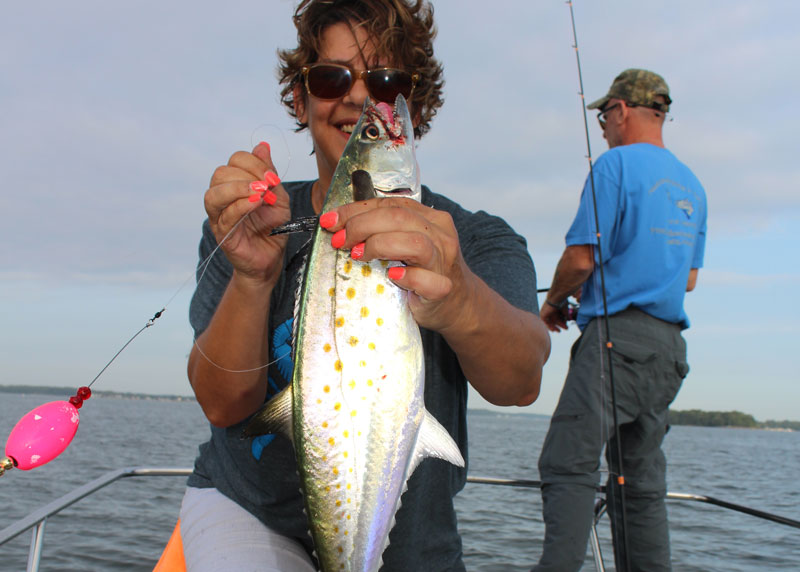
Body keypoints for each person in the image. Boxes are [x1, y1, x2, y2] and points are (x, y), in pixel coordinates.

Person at [180, 1, 551, 571]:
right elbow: (223, 404)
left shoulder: (477, 240)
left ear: (414, 106)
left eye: (385, 82)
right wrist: (253, 277)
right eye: (332, 78)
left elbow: (521, 383)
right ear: (300, 99)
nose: (357, 97)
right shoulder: (249, 223)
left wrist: (458, 297)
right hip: (247, 513)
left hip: (413, 544)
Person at [533, 69, 707, 572]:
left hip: (617, 345)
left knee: (567, 462)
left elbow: (581, 258)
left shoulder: (614, 166)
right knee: (640, 482)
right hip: (668, 352)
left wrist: (554, 301)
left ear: (622, 110)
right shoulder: (693, 186)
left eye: (606, 115)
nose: (605, 127)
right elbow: (688, 279)